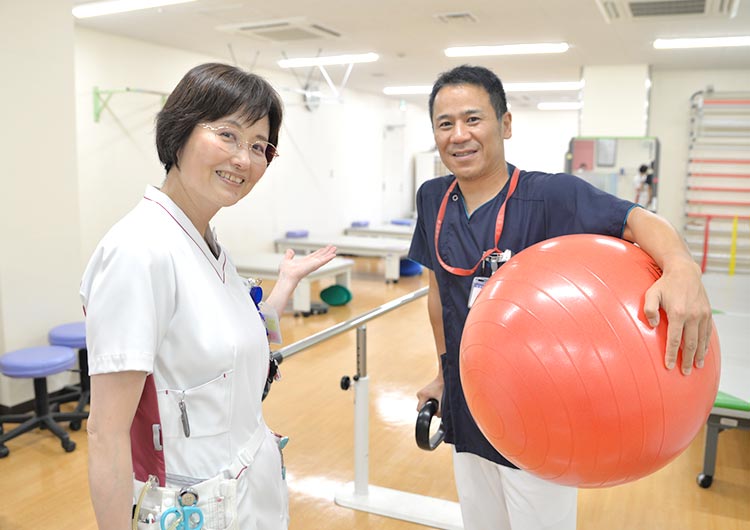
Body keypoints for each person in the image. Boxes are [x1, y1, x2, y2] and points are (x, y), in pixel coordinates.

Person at [409, 65, 713, 530]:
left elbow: (638, 221)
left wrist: (682, 266)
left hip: (541, 411)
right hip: (469, 400)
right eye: (445, 124)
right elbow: (440, 295)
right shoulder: (432, 197)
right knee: (481, 521)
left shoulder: (550, 195)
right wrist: (443, 372)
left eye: (473, 119)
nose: (459, 135)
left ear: (505, 124)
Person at [80, 63, 336, 530]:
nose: (245, 158)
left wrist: (284, 287)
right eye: (229, 135)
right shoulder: (140, 250)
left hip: (248, 487)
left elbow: (235, 347)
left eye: (259, 146)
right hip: (190, 502)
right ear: (179, 131)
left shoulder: (207, 243)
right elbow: (105, 431)